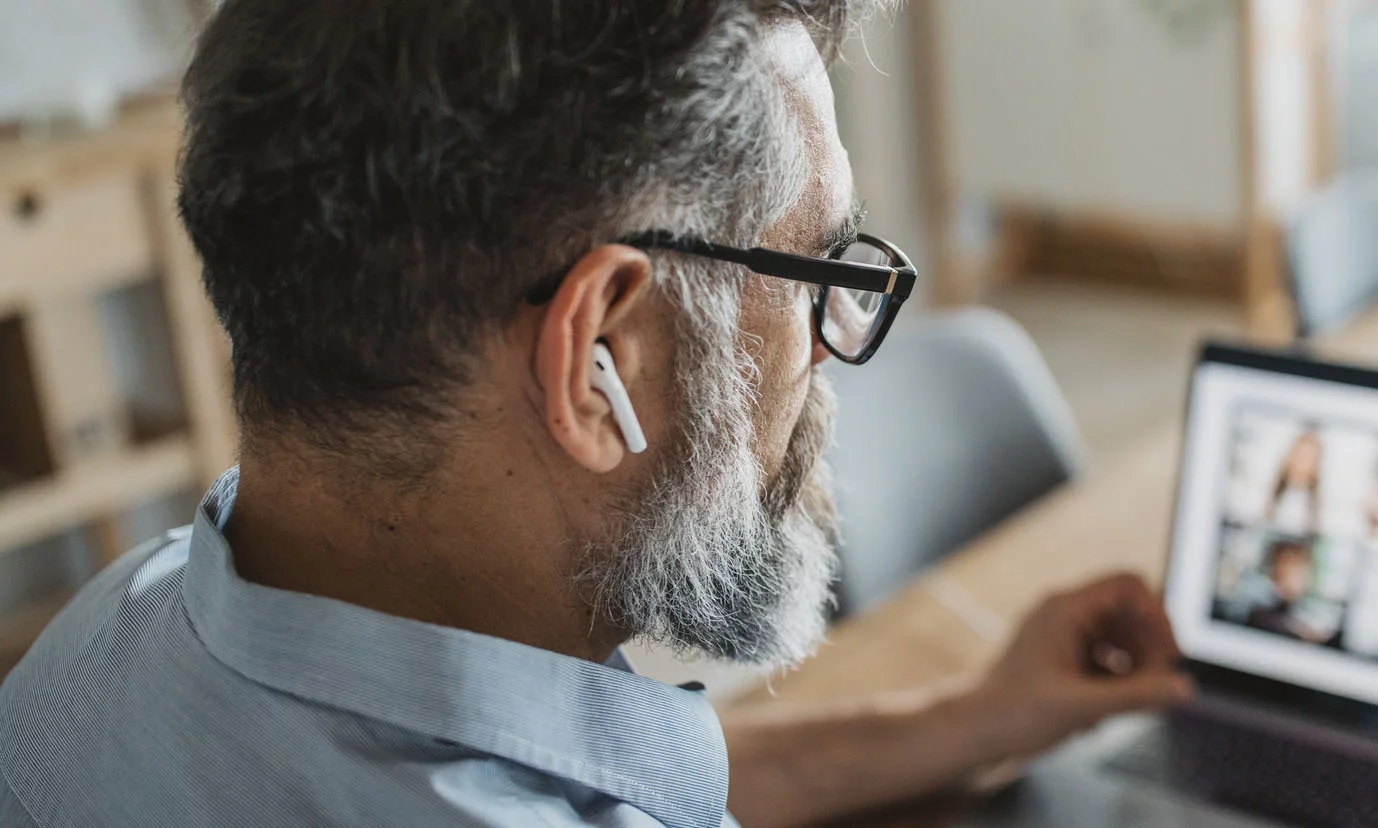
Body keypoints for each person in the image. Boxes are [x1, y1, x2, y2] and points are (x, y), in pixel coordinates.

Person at [0, 3, 1193, 826]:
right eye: (820, 276)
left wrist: (978, 716)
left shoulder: (98, 648)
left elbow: (609, 780)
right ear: (600, 361)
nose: (834, 355)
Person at [1243, 539, 1332, 643]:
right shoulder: (1261, 615)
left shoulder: (1314, 617)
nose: (1299, 579)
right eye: (1293, 572)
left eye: (1302, 573)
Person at [1264, 427, 1325, 535]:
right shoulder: (1265, 495)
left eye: (1310, 457)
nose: (1303, 462)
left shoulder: (1321, 508)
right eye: (1301, 453)